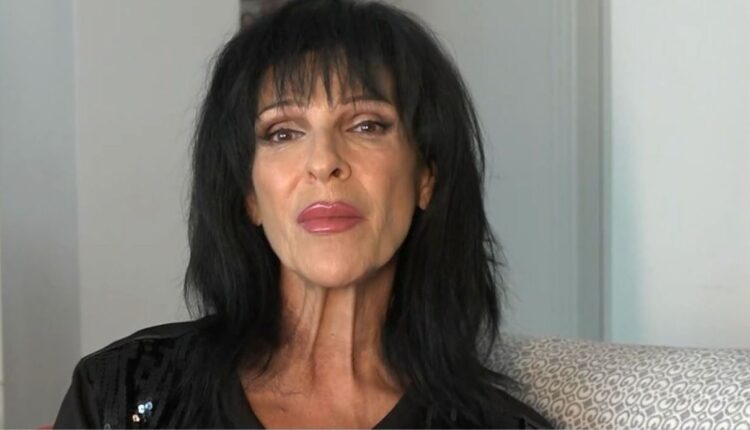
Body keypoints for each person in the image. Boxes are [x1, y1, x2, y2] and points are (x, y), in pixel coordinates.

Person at [53, 0, 553, 428]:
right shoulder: (120, 391)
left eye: (366, 125)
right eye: (283, 132)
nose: (323, 162)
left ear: (426, 177)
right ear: (250, 195)